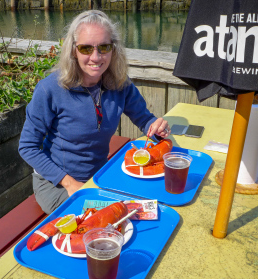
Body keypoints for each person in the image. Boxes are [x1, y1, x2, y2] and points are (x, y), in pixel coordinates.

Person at [19, 10, 170, 214]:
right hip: (57, 184)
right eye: (86, 48)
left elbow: (144, 119)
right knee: (116, 217)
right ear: (73, 50)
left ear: (113, 49)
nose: (96, 57)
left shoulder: (119, 84)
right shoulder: (50, 90)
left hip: (99, 175)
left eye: (104, 47)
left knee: (150, 203)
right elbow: (27, 147)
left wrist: (156, 126)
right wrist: (70, 183)